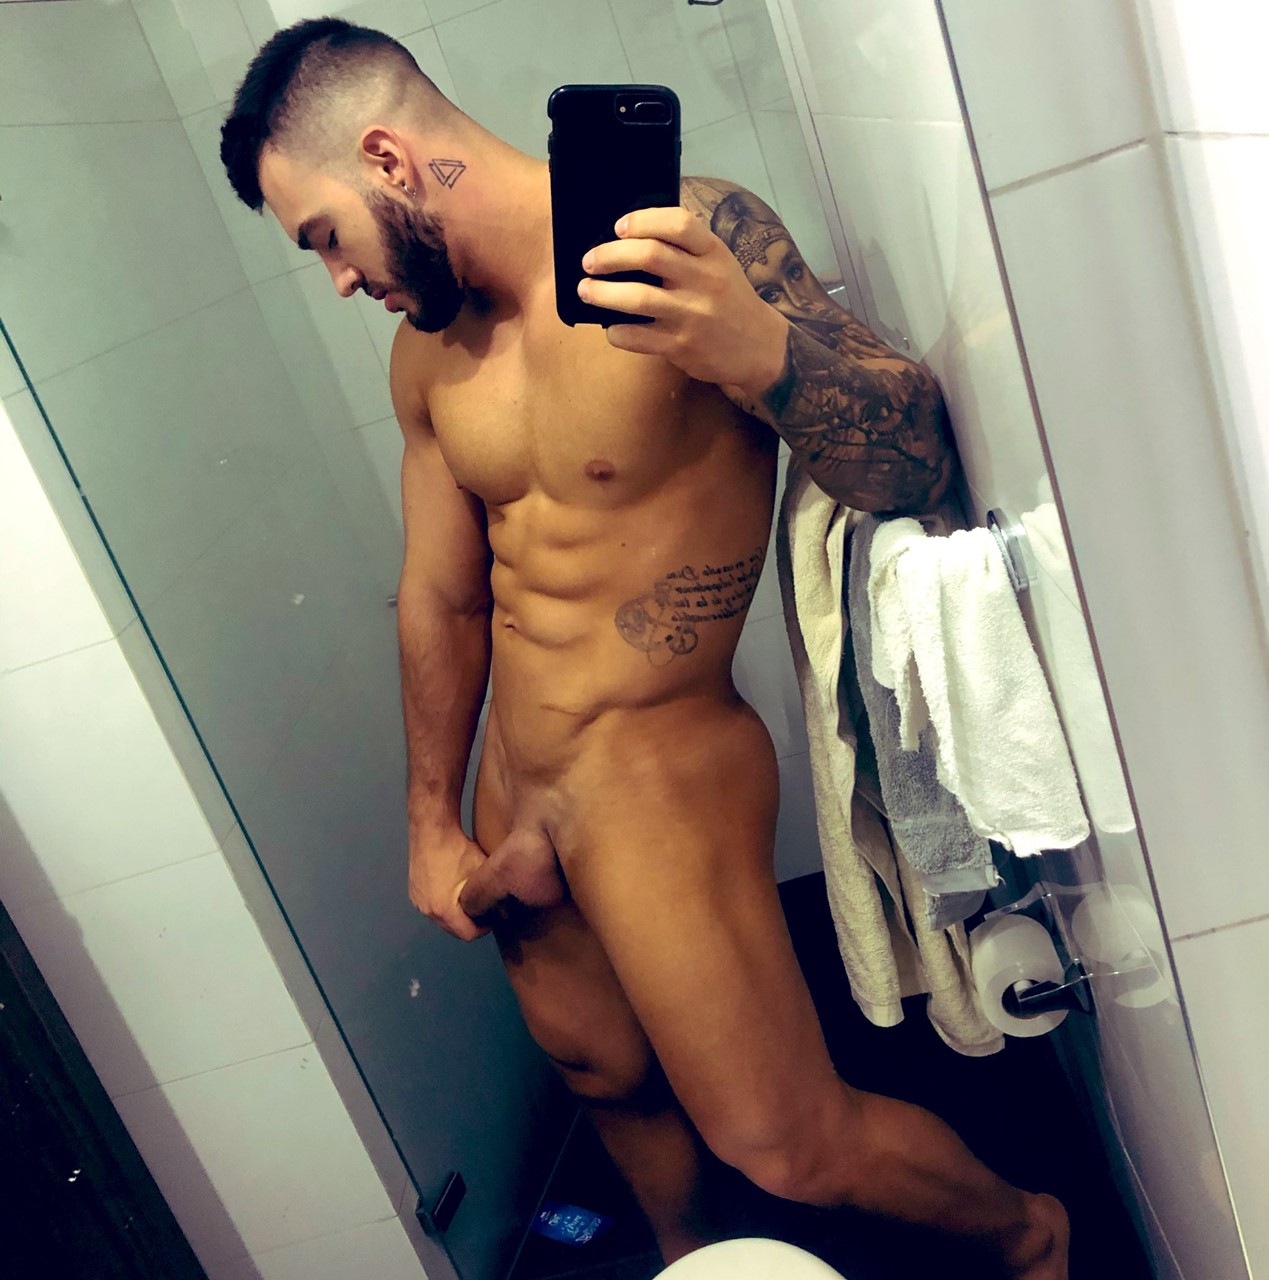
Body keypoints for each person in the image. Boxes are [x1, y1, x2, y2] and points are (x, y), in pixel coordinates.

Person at [221, 19, 1069, 1278]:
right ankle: (690, 1254)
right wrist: (431, 819)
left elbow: (917, 462)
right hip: (518, 780)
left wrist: (761, 352)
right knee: (604, 1076)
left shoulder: (691, 240)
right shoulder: (426, 360)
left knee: (786, 1140)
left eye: (324, 237)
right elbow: (442, 598)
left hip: (657, 773)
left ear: (387, 159)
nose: (340, 279)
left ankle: (1030, 1234)